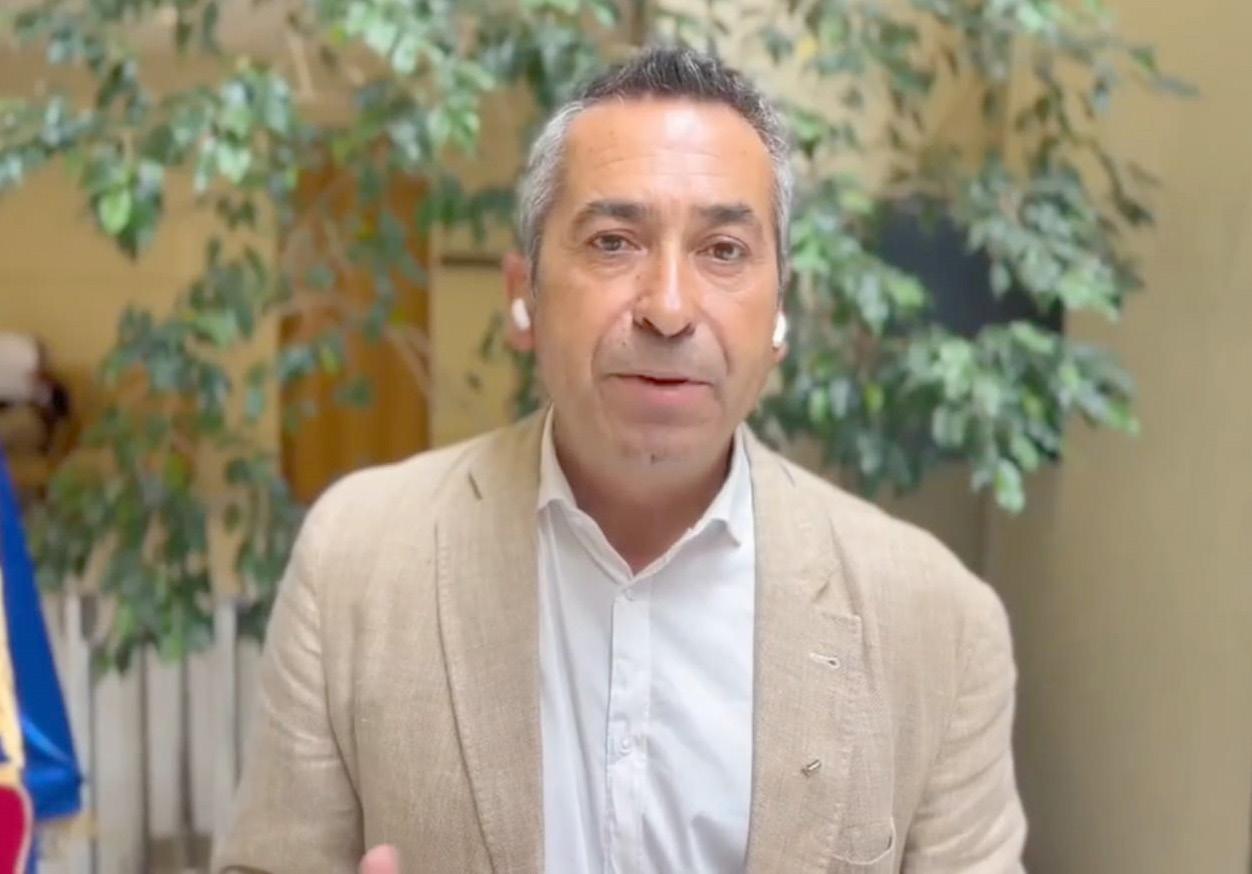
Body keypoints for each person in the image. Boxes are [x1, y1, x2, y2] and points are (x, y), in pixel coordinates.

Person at [212, 46, 1027, 874]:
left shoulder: (939, 623)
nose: (668, 309)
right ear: (523, 297)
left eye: (723, 250)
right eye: (613, 242)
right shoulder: (355, 559)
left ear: (781, 312)